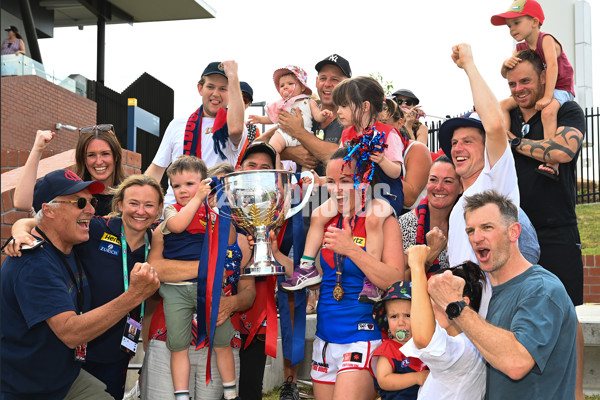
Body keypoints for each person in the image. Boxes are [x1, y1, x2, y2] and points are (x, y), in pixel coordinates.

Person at [1, 170, 159, 399]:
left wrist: (19, 228)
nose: (92, 210)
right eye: (81, 202)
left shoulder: (67, 245)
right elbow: (70, 332)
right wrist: (134, 295)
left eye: (92, 202)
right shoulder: (34, 263)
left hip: (63, 373)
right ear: (49, 210)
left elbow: (33, 223)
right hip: (29, 386)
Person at [427, 190, 578, 399]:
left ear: (514, 232)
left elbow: (516, 362)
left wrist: (456, 306)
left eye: (487, 227)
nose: (477, 237)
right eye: (470, 230)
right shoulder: (491, 292)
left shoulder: (541, 290)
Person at [503, 48, 586, 399]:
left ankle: (577, 391)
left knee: (567, 316)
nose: (519, 88)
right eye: (511, 83)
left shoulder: (565, 109)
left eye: (525, 80)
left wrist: (517, 143)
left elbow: (563, 151)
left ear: (542, 78)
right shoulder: (502, 116)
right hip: (511, 235)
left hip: (556, 229)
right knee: (510, 319)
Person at [296, 146, 404, 399]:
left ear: (364, 180)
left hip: (362, 335)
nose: (336, 190)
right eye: (331, 182)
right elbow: (314, 279)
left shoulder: (382, 219)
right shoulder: (325, 219)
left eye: (345, 181)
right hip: (325, 336)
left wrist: (352, 250)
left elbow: (395, 281)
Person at [437, 44, 540, 274]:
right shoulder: (459, 208)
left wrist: (469, 66)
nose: (458, 148)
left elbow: (494, 124)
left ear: (487, 149)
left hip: (496, 310)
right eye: (454, 143)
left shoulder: (495, 182)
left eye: (468, 141)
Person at [157, 156, 238, 400]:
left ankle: (231, 392)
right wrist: (198, 199)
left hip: (210, 286)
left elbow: (231, 239)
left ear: (203, 183)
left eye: (189, 184)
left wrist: (220, 209)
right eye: (176, 186)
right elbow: (179, 226)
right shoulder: (171, 210)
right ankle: (182, 395)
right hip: (175, 289)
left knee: (223, 342)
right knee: (178, 345)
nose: (182, 190)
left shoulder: (211, 209)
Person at [492, 0, 575, 180]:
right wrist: (505, 64)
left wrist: (547, 96)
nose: (512, 29)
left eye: (516, 23)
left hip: (560, 87)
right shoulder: (520, 48)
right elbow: (505, 74)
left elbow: (552, 67)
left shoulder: (545, 39)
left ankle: (552, 162)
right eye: (509, 26)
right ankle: (504, 145)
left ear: (535, 22)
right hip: (542, 89)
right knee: (503, 104)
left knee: (548, 112)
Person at [145, 60, 246, 208]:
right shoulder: (177, 124)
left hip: (213, 212)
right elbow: (156, 169)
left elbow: (236, 130)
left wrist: (233, 76)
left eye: (223, 89)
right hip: (174, 212)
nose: (215, 94)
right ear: (200, 88)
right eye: (210, 87)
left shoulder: (231, 126)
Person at [402, 246, 486, 399]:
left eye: (434, 296)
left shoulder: (465, 348)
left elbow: (423, 339)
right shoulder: (467, 344)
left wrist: (417, 267)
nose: (426, 305)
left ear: (462, 303)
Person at [13, 126, 127, 217]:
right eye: (91, 155)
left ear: (116, 156)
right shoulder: (71, 190)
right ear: (83, 159)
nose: (98, 161)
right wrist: (37, 149)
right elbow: (22, 203)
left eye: (105, 154)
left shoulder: (129, 192)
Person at [277, 54, 352, 175]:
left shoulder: (353, 119)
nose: (327, 84)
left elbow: (340, 157)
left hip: (335, 193)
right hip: (299, 192)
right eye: (323, 78)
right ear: (316, 82)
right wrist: (290, 153)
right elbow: (263, 143)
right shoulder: (302, 110)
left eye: (335, 79)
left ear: (347, 84)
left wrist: (298, 132)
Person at [248, 65, 332, 171]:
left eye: (290, 83)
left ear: (302, 87)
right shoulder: (281, 104)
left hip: (304, 136)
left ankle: (307, 180)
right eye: (282, 85)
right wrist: (260, 119)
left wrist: (323, 115)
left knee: (308, 161)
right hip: (283, 134)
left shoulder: (308, 101)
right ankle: (278, 173)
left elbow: (317, 116)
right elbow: (274, 119)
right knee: (272, 149)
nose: (285, 87)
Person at [400, 155, 462, 277]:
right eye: (433, 180)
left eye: (447, 181)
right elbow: (399, 282)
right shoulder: (406, 225)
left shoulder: (466, 225)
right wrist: (431, 253)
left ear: (461, 187)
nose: (438, 187)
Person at [370, 281, 429, 400]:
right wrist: (416, 378)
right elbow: (384, 380)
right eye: (394, 317)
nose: (401, 323)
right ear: (386, 319)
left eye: (408, 315)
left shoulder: (427, 344)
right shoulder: (388, 349)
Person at [378, 98, 432, 212]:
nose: (377, 128)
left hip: (409, 219)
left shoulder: (416, 149)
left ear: (399, 123)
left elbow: (409, 199)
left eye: (383, 123)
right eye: (373, 123)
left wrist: (381, 164)